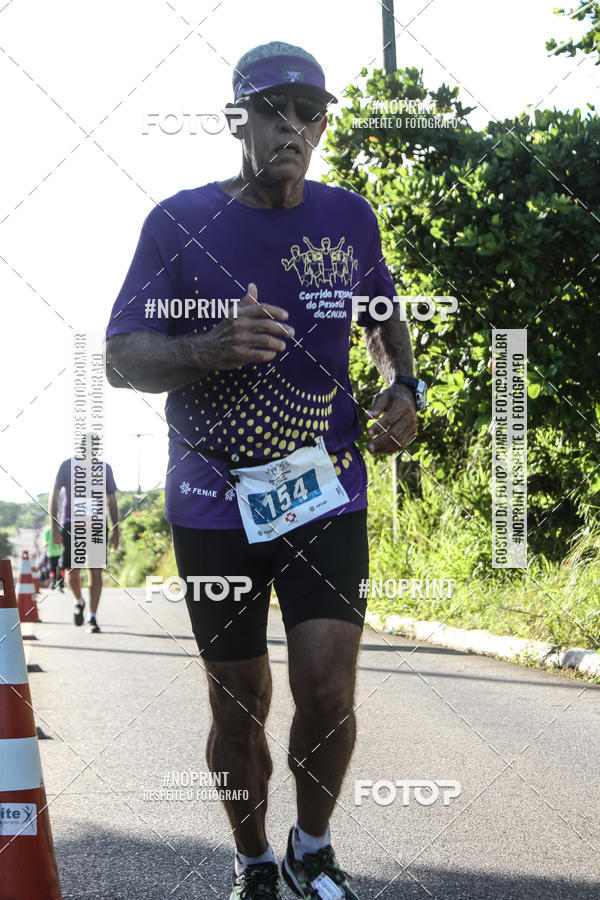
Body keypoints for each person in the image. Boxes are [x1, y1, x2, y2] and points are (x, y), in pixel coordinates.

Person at [106, 42, 425, 900]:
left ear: (323, 124)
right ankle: (251, 862)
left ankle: (309, 848)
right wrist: (208, 348)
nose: (292, 127)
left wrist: (405, 383)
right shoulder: (178, 224)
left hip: (326, 487)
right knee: (239, 703)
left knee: (326, 687)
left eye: (309, 112)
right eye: (272, 110)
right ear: (237, 120)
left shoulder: (351, 218)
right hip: (215, 502)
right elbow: (120, 357)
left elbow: (385, 310)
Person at [49, 439, 120, 633]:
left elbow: (112, 500)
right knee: (73, 570)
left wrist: (116, 530)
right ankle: (79, 601)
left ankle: (92, 617)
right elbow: (54, 496)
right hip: (73, 523)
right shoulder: (67, 466)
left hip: (97, 524)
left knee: (95, 570)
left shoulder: (105, 468)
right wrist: (54, 527)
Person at [44, 523, 64, 591]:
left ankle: (57, 583)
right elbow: (45, 540)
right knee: (57, 569)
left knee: (56, 569)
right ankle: (57, 583)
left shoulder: (59, 529)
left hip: (55, 554)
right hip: (55, 554)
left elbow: (45, 542)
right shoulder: (58, 529)